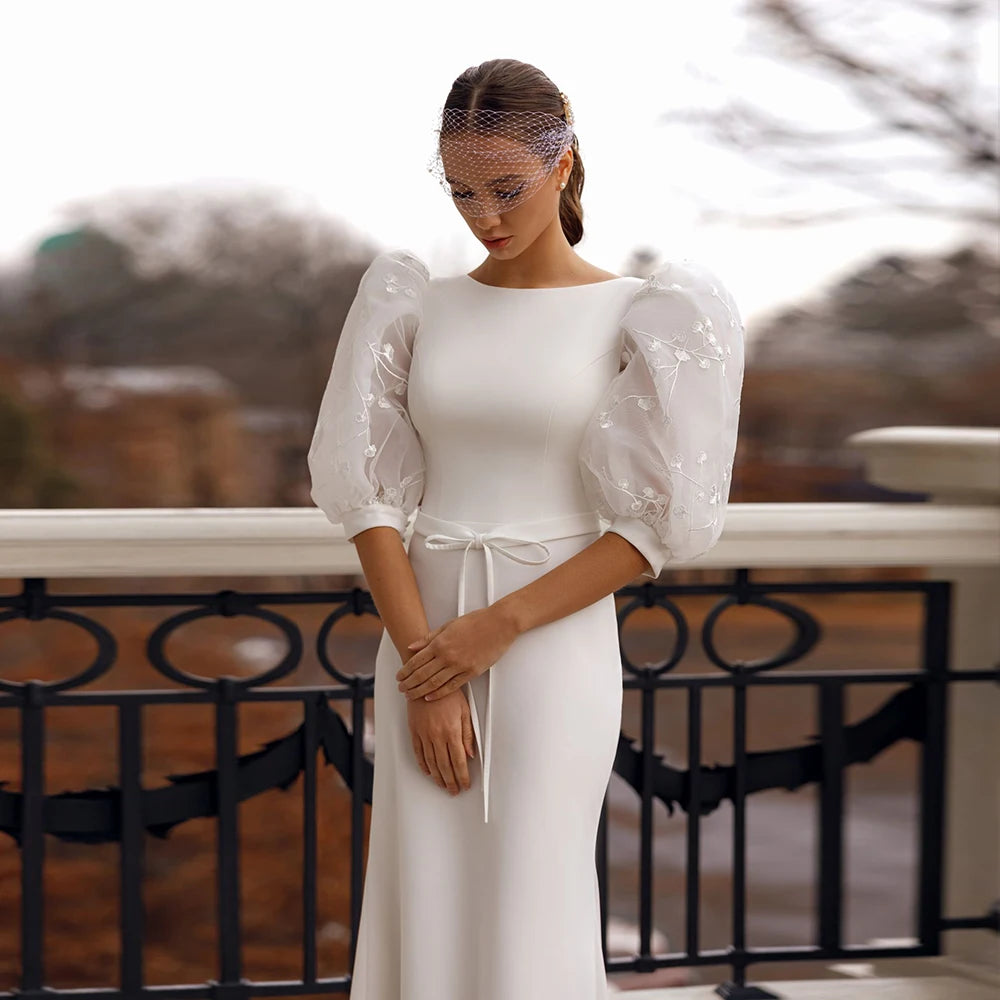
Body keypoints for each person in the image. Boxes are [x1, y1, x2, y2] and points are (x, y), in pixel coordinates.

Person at [307, 57, 745, 1000]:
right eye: (463, 192)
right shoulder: (414, 304)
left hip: (550, 646)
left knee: (531, 886)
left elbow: (653, 527)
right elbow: (367, 495)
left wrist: (490, 631)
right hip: (418, 638)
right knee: (420, 887)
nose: (484, 216)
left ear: (564, 164)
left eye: (506, 189)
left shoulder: (645, 314)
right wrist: (427, 664)